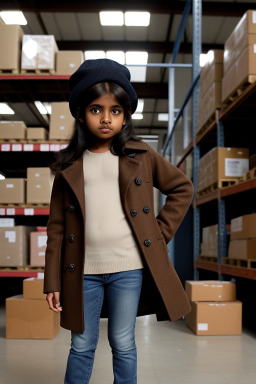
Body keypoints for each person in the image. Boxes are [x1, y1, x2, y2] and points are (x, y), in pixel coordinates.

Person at [44, 58, 194, 384]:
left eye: (115, 111)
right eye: (96, 109)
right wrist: (52, 281)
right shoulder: (69, 167)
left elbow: (182, 188)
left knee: (123, 342)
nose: (106, 119)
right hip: (82, 271)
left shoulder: (141, 156)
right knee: (81, 344)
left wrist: (159, 232)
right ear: (82, 114)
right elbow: (56, 228)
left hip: (128, 269)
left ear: (125, 115)